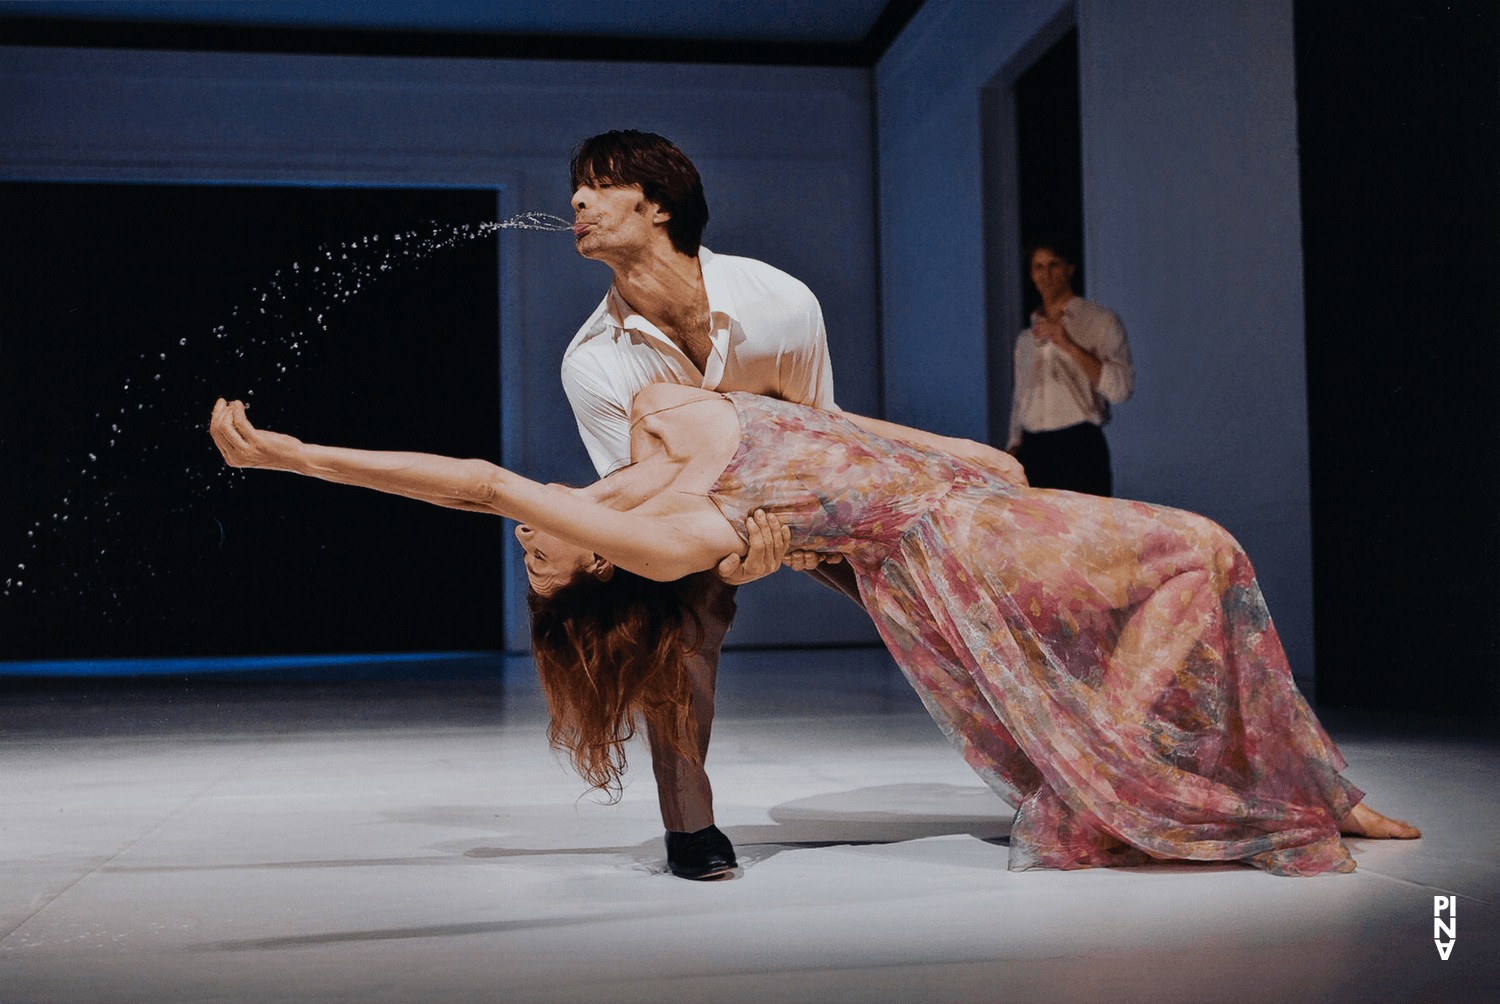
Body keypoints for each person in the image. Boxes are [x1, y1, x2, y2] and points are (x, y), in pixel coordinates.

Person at [208, 387, 1418, 877]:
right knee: (1202, 550)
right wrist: (295, 455)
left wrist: (954, 453)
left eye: (535, 551)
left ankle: (1277, 777)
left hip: (977, 498)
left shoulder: (657, 415)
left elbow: (829, 419)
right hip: (957, 556)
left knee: (1196, 570)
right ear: (608, 570)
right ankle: (1139, 781)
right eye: (544, 566)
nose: (530, 547)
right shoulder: (680, 533)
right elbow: (475, 479)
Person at [556, 129, 852, 880]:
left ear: (656, 204)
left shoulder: (780, 302)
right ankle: (689, 824)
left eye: (597, 184)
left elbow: (825, 435)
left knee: (931, 594)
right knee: (674, 609)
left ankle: (1050, 763)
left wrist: (806, 537)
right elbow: (648, 506)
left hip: (810, 489)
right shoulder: (593, 361)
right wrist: (730, 558)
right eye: (575, 186)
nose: (576, 200)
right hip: (698, 518)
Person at [1007, 238, 1133, 496]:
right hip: (1034, 449)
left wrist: (1069, 344)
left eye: (1054, 265)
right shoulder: (1025, 340)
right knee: (1034, 533)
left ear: (1069, 268)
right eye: (1039, 267)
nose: (1046, 274)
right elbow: (1020, 400)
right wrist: (1012, 449)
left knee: (1087, 533)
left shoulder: (1100, 321)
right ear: (1031, 274)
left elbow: (1121, 390)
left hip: (1079, 446)